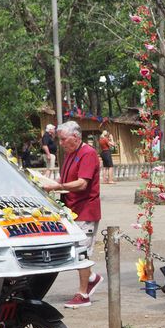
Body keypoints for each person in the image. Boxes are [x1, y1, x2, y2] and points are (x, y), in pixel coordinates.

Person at [41, 120, 103, 309]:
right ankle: (91, 278)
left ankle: (83, 294)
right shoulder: (70, 153)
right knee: (77, 250)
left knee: (82, 252)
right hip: (72, 209)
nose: (60, 143)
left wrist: (57, 186)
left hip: (85, 209)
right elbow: (65, 178)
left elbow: (82, 183)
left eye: (63, 139)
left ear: (75, 138)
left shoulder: (88, 153)